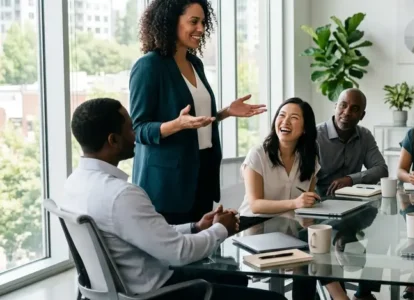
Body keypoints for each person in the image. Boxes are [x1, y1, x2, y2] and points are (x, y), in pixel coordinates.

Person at [62, 98, 285, 300]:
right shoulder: (121, 195)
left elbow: (150, 233)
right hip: (157, 294)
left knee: (236, 279)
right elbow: (180, 253)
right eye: (130, 129)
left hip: (122, 290)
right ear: (113, 140)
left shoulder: (73, 185)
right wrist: (221, 229)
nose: (135, 135)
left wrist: (196, 227)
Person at [130, 0, 267, 225]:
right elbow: (138, 129)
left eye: (203, 22)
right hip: (168, 184)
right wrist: (176, 125)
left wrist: (225, 112)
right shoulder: (149, 66)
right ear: (171, 22)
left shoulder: (195, 63)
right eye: (193, 21)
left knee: (201, 248)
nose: (201, 29)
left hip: (202, 172)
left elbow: (197, 121)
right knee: (175, 253)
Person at [238, 97, 350, 300]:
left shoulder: (309, 158)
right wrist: (296, 203)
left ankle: (334, 296)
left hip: (288, 226)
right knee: (310, 254)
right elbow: (255, 205)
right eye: (281, 115)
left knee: (318, 248)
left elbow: (307, 199)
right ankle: (340, 297)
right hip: (254, 226)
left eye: (294, 118)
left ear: (305, 128)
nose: (285, 122)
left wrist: (309, 204)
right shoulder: (258, 154)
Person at [315, 88, 388, 196]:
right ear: (335, 107)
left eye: (355, 109)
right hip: (320, 201)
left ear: (362, 115)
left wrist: (350, 179)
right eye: (343, 105)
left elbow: (382, 170)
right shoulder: (315, 135)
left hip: (354, 200)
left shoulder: (365, 135)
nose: (347, 112)